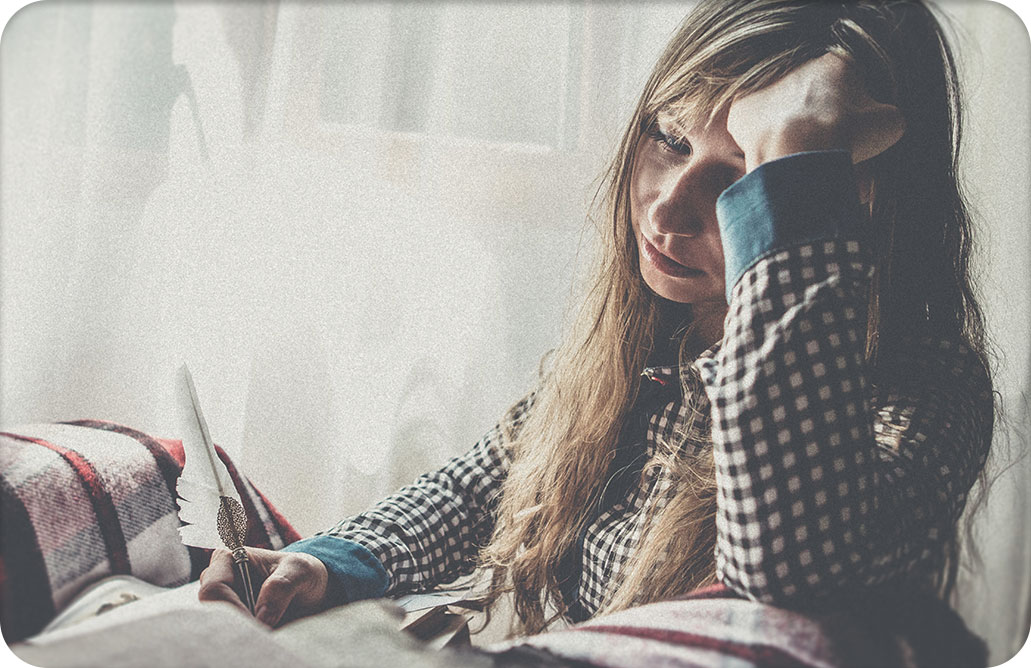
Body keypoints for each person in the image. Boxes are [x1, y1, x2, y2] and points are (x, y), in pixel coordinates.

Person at [199, 0, 994, 652]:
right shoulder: (653, 339)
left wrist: (794, 155)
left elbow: (790, 577)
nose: (667, 207)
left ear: (855, 201)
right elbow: (489, 482)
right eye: (670, 139)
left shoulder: (927, 388)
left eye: (749, 177)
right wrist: (331, 564)